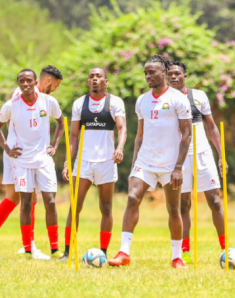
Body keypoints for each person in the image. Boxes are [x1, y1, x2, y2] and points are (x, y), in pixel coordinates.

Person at [108, 55, 192, 269]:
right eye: (145, 72)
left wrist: (179, 167)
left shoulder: (178, 99)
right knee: (132, 197)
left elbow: (187, 134)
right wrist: (134, 166)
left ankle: (177, 257)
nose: (147, 76)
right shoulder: (142, 100)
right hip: (145, 161)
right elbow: (139, 136)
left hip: (170, 164)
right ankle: (123, 252)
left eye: (151, 72)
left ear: (162, 72)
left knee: (173, 209)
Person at [60, 67, 127, 260]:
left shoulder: (115, 102)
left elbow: (122, 129)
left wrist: (120, 148)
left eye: (99, 76)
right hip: (84, 163)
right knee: (75, 206)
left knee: (106, 208)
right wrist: (68, 162)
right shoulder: (80, 103)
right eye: (91, 77)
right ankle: (67, 252)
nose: (95, 79)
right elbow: (73, 136)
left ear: (106, 82)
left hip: (107, 162)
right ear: (88, 82)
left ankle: (103, 253)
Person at [0, 68, 65, 259]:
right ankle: (29, 247)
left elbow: (60, 122)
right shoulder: (14, 101)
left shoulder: (47, 101)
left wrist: (53, 145)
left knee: (31, 199)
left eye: (29, 81)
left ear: (36, 81)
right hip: (18, 156)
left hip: (40, 157)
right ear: (46, 81)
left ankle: (43, 247)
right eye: (55, 86)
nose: (53, 90)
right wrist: (7, 149)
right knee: (20, 199)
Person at [165, 60, 226, 264]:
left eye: (177, 73)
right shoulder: (164, 99)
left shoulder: (198, 96)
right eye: (170, 74)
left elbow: (211, 127)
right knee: (183, 205)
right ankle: (185, 251)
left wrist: (221, 156)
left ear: (185, 76)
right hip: (178, 158)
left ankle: (226, 249)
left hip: (202, 154)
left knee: (215, 201)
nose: (173, 77)